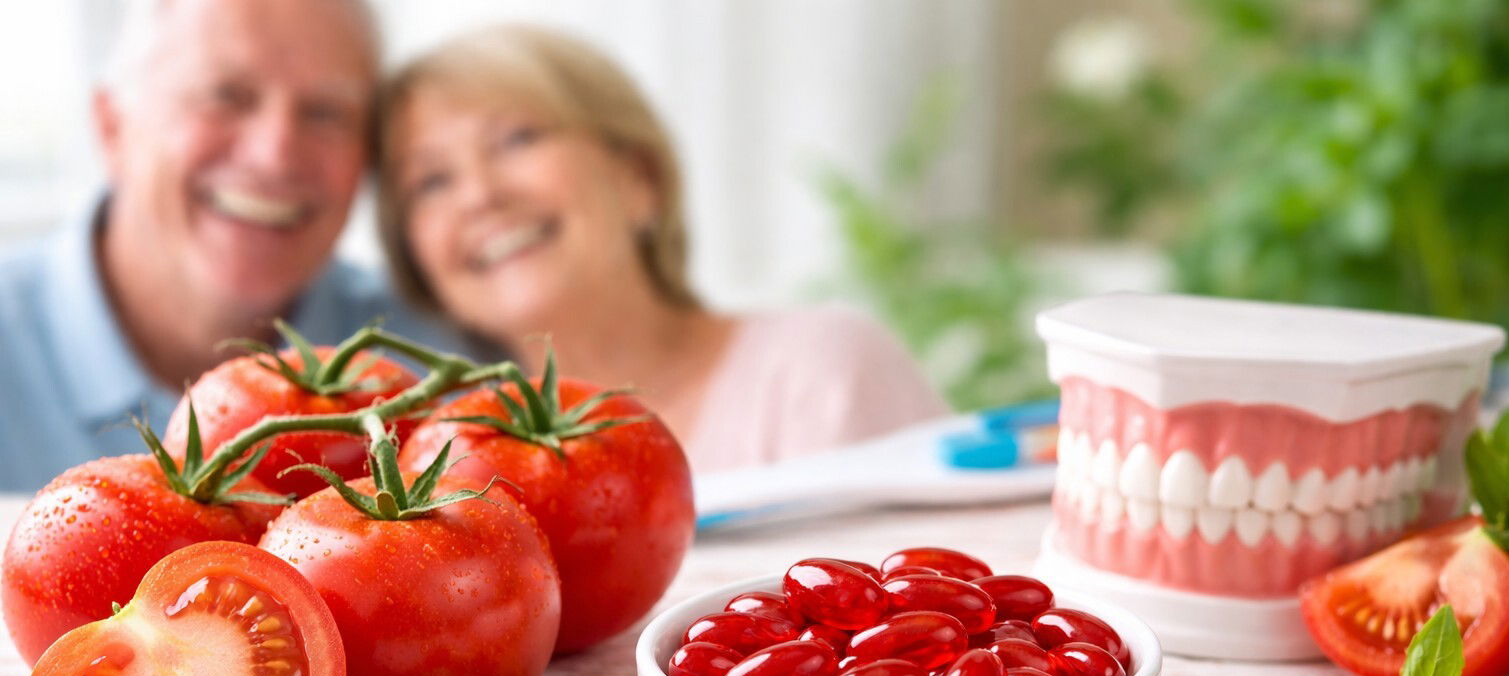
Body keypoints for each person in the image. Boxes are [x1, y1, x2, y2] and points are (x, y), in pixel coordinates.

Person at [375, 24, 948, 474]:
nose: (479, 194)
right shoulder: (449, 471)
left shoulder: (823, 372)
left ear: (638, 177)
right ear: (417, 263)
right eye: (430, 182)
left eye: (517, 139)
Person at [0, 0, 462, 493]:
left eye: (326, 112)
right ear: (112, 127)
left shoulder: (437, 357)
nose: (275, 154)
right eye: (225, 96)